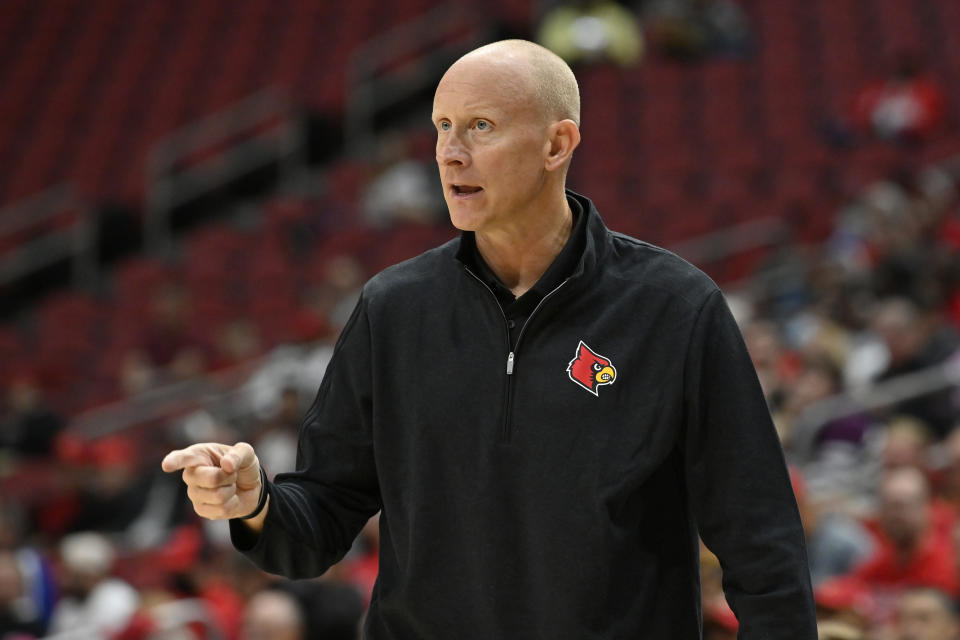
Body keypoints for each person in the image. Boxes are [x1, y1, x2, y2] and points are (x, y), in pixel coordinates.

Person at [163, 39, 816, 638]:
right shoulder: (393, 308)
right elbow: (320, 520)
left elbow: (760, 539)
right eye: (442, 127)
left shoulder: (674, 309)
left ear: (557, 144)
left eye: (481, 126)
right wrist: (254, 504)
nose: (450, 152)